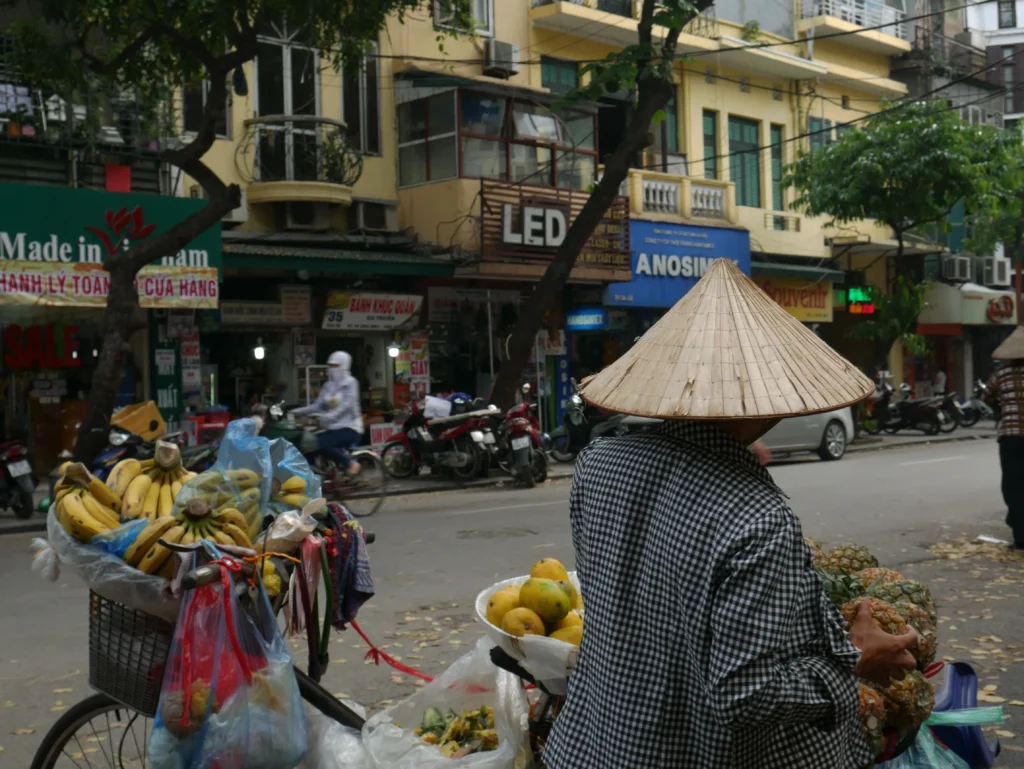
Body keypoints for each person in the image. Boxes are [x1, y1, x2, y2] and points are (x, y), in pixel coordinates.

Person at [544, 260, 919, 769]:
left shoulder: (598, 464)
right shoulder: (757, 518)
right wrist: (852, 660)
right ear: (774, 403)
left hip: (596, 747)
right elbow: (747, 694)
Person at [291, 351, 363, 476]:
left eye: (336, 366)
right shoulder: (328, 386)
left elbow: (347, 405)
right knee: (308, 446)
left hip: (350, 427)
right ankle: (317, 477)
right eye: (331, 366)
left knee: (322, 443)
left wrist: (329, 417)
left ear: (344, 366)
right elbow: (318, 406)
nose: (332, 369)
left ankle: (351, 464)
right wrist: (297, 412)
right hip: (332, 428)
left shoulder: (351, 383)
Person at [984, 326, 1024, 550]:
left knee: (1014, 485)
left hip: (1010, 436)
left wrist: (1003, 408)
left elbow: (987, 396)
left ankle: (1020, 536)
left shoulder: (1002, 373)